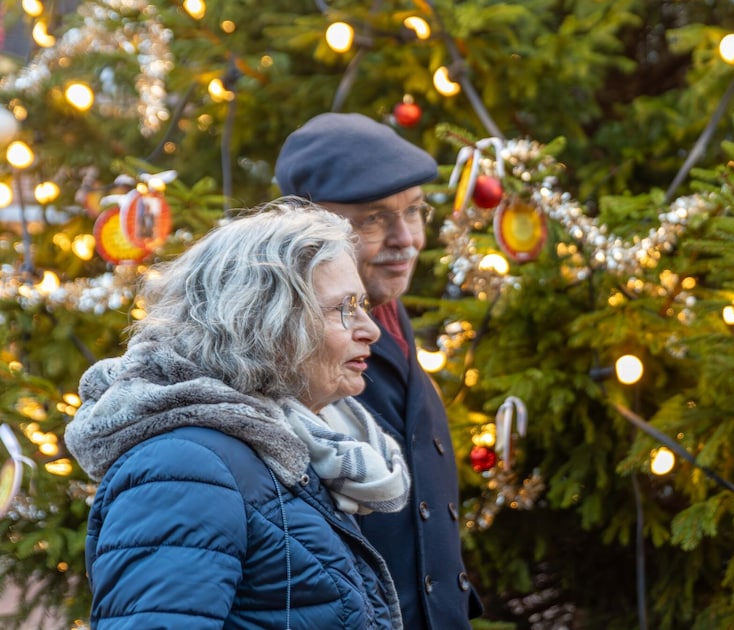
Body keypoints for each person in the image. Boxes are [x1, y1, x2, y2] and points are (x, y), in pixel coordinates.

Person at [65, 199, 411, 628]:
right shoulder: (184, 468)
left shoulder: (287, 444)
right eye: (344, 308)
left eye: (363, 305)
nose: (370, 329)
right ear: (267, 320)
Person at [275, 112, 483, 629]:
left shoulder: (385, 310)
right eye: (373, 219)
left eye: (414, 212)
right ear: (306, 225)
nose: (406, 238)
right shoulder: (288, 348)